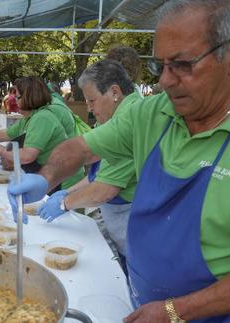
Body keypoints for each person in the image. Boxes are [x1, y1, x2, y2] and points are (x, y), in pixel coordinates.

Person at [8, 1, 230, 321]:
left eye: (182, 64)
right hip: (143, 302)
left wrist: (175, 311)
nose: (165, 81)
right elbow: (82, 148)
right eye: (159, 66)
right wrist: (47, 178)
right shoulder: (152, 113)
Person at [40, 59, 140, 267]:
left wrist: (64, 203)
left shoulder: (130, 119)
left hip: (133, 227)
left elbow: (103, 191)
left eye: (92, 101)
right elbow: (100, 175)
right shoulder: (121, 116)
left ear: (114, 92)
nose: (90, 109)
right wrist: (68, 192)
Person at [0, 77, 83, 189]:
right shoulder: (32, 116)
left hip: (64, 180)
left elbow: (28, 155)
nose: (15, 101)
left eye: (17, 97)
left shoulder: (42, 118)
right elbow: (7, 133)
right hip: (54, 175)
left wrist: (2, 151)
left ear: (28, 97)